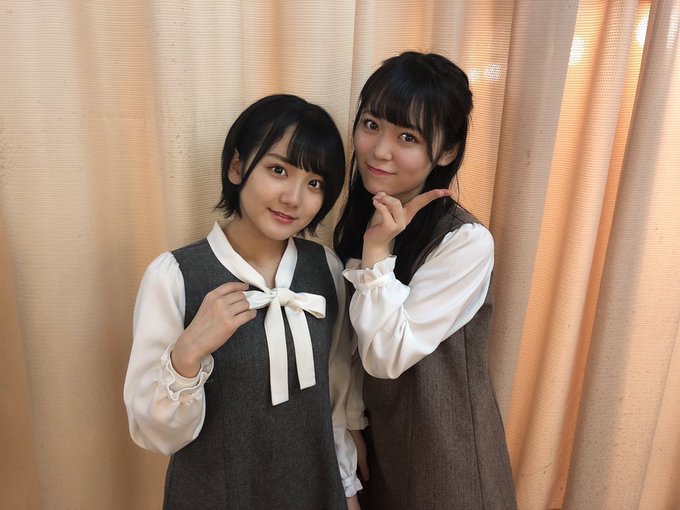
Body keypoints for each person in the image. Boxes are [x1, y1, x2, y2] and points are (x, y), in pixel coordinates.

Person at [124, 94, 364, 509]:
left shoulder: (325, 268)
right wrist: (188, 353)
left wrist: (346, 487)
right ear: (237, 166)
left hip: (313, 491)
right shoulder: (174, 275)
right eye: (278, 170)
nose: (293, 198)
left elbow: (334, 397)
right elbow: (157, 435)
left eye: (314, 183)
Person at [334, 52, 517, 509]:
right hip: (382, 440)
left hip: (445, 453)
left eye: (407, 137)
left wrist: (377, 252)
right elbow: (350, 344)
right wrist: (349, 422)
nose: (380, 150)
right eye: (371, 124)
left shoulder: (465, 241)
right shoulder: (363, 214)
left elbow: (386, 356)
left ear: (447, 151)